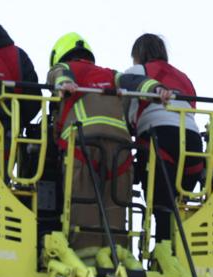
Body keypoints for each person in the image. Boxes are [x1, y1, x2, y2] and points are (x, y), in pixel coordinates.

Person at [46, 32, 170, 249]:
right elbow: (133, 82)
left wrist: (65, 83)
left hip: (83, 144)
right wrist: (155, 88)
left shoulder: (66, 68)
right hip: (120, 147)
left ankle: (87, 259)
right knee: (116, 211)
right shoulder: (110, 74)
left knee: (84, 212)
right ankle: (118, 259)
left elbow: (59, 74)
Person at [123, 33, 205, 243]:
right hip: (193, 143)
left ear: (138, 55)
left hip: (160, 137)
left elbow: (125, 115)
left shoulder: (139, 72)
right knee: (176, 205)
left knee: (160, 205)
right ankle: (173, 252)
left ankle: (162, 253)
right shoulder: (184, 78)